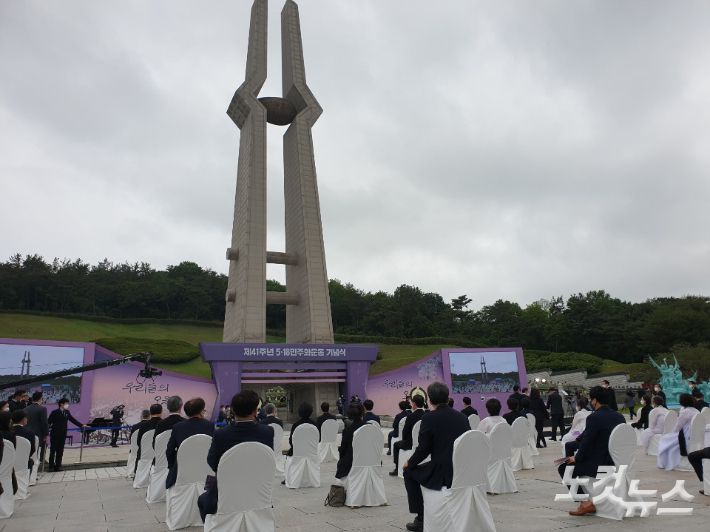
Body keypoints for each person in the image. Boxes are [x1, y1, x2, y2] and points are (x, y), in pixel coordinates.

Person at [402, 382, 469, 531]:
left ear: (430, 400)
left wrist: (409, 463)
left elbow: (423, 450)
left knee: (408, 472)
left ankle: (421, 518)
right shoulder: (462, 417)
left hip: (442, 472)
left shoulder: (429, 418)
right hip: (462, 469)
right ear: (447, 398)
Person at [197, 390, 273, 521]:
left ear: (233, 411)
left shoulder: (221, 434)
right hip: (257, 489)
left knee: (202, 500)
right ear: (255, 411)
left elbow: (212, 462)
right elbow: (267, 459)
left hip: (227, 491)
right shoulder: (267, 432)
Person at [558, 385, 625, 516]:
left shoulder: (594, 417)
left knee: (564, 468)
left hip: (601, 464)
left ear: (594, 400)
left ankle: (585, 503)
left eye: (591, 399)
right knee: (571, 458)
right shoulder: (619, 417)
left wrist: (576, 458)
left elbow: (586, 444)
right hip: (616, 460)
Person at [165, 397, 215, 489]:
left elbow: (169, 451)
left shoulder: (178, 427)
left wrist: (173, 466)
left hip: (183, 471)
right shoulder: (209, 426)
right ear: (201, 411)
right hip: (205, 471)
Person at [657, 393, 699, 471]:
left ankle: (665, 462)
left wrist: (672, 433)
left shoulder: (685, 411)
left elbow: (678, 426)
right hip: (696, 433)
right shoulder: (696, 410)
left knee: (665, 439)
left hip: (686, 434)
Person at [390, 394, 426, 476]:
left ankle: (397, 468)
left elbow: (405, 432)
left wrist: (404, 440)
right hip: (423, 443)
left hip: (410, 443)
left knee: (396, 445)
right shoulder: (427, 415)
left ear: (414, 404)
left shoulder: (410, 416)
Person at [47, 397, 85, 472]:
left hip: (63, 434)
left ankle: (58, 466)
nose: (67, 405)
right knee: (53, 450)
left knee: (60, 450)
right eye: (66, 403)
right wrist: (48, 430)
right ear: (61, 404)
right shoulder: (55, 412)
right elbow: (49, 422)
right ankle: (51, 466)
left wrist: (81, 425)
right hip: (55, 434)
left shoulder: (67, 412)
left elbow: (72, 420)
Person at [334, 402, 365, 481]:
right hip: (369, 458)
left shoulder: (347, 431)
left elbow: (343, 450)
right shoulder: (370, 427)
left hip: (353, 460)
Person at [24, 391, 49, 466]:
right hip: (39, 433)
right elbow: (44, 422)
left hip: (27, 432)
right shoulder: (42, 409)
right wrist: (46, 434)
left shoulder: (25, 409)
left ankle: (30, 465)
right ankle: (40, 462)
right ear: (40, 399)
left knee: (29, 451)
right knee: (39, 449)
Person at [135, 404, 163, 468]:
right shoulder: (165, 424)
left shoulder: (143, 425)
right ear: (161, 411)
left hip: (145, 456)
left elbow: (138, 442)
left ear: (150, 412)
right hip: (160, 456)